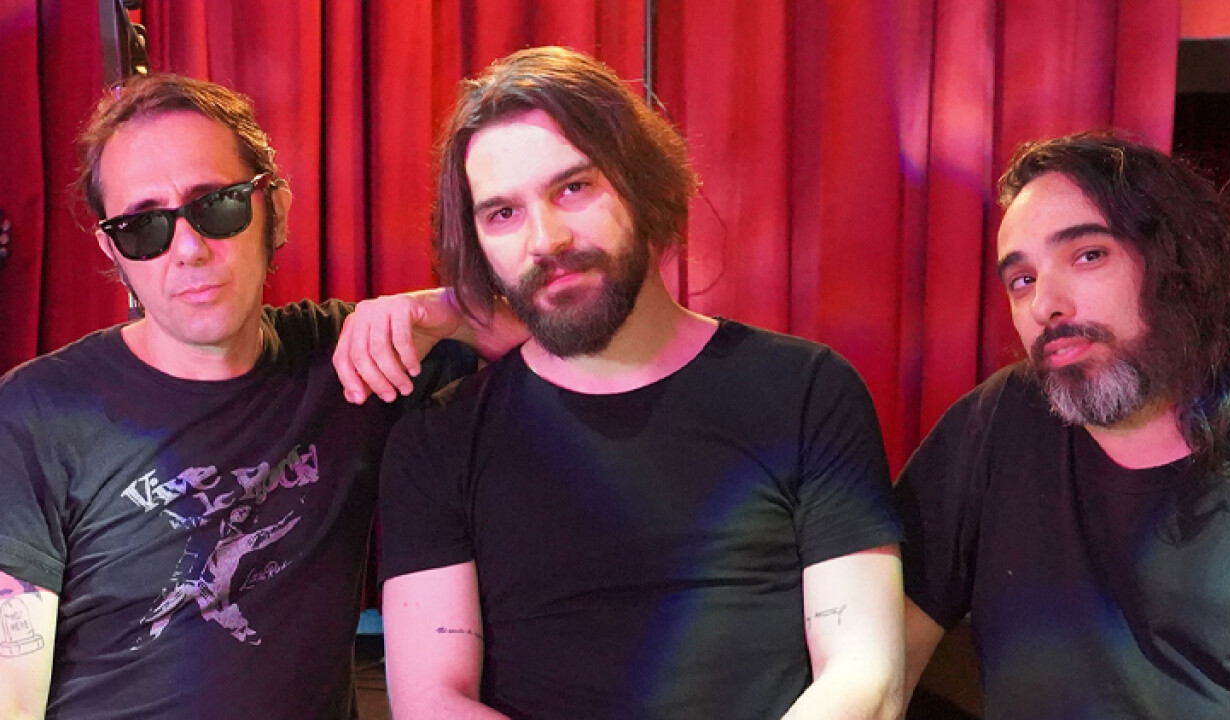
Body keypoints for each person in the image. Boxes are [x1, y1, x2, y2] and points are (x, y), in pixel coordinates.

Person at [377, 46, 905, 720]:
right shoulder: (439, 440)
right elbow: (431, 702)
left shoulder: (806, 391)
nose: (546, 240)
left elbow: (865, 675)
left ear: (643, 184)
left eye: (574, 187)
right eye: (502, 214)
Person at [0, 74, 509, 719]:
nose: (188, 249)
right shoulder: (35, 414)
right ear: (113, 250)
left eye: (217, 205)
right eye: (143, 227)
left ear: (276, 210)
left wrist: (437, 309)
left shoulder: (352, 361)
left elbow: (565, 337)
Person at [896, 132, 1230, 718]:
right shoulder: (1000, 420)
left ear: (1179, 263)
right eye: (1022, 280)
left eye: (1088, 255)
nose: (1045, 305)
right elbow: (879, 662)